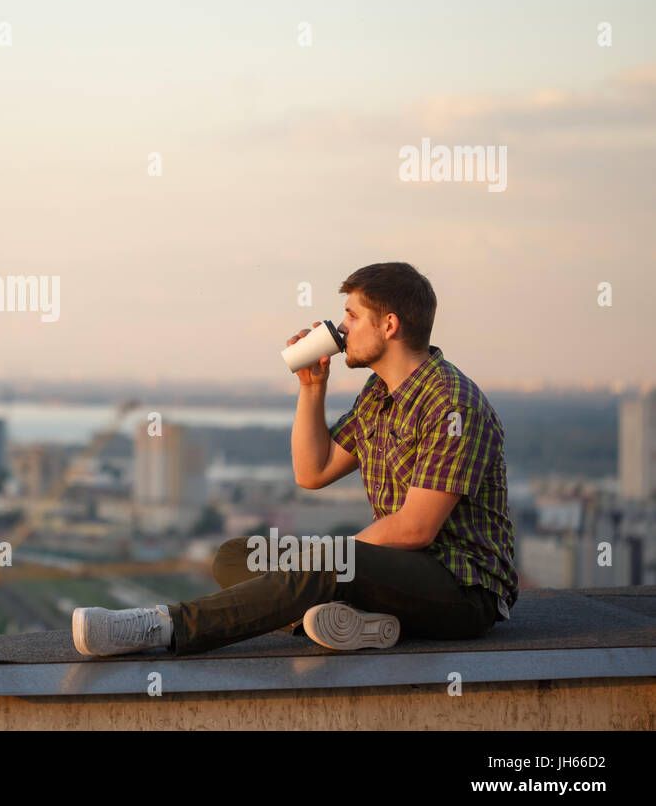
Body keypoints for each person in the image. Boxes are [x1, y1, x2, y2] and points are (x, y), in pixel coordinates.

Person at [71, 261, 518, 656]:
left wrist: (330, 560)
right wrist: (311, 387)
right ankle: (358, 624)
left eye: (352, 315)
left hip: (462, 590)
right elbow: (312, 471)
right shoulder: (379, 396)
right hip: (396, 575)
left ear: (390, 325)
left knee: (324, 562)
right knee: (238, 556)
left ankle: (160, 626)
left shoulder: (451, 403)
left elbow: (415, 528)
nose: (341, 329)